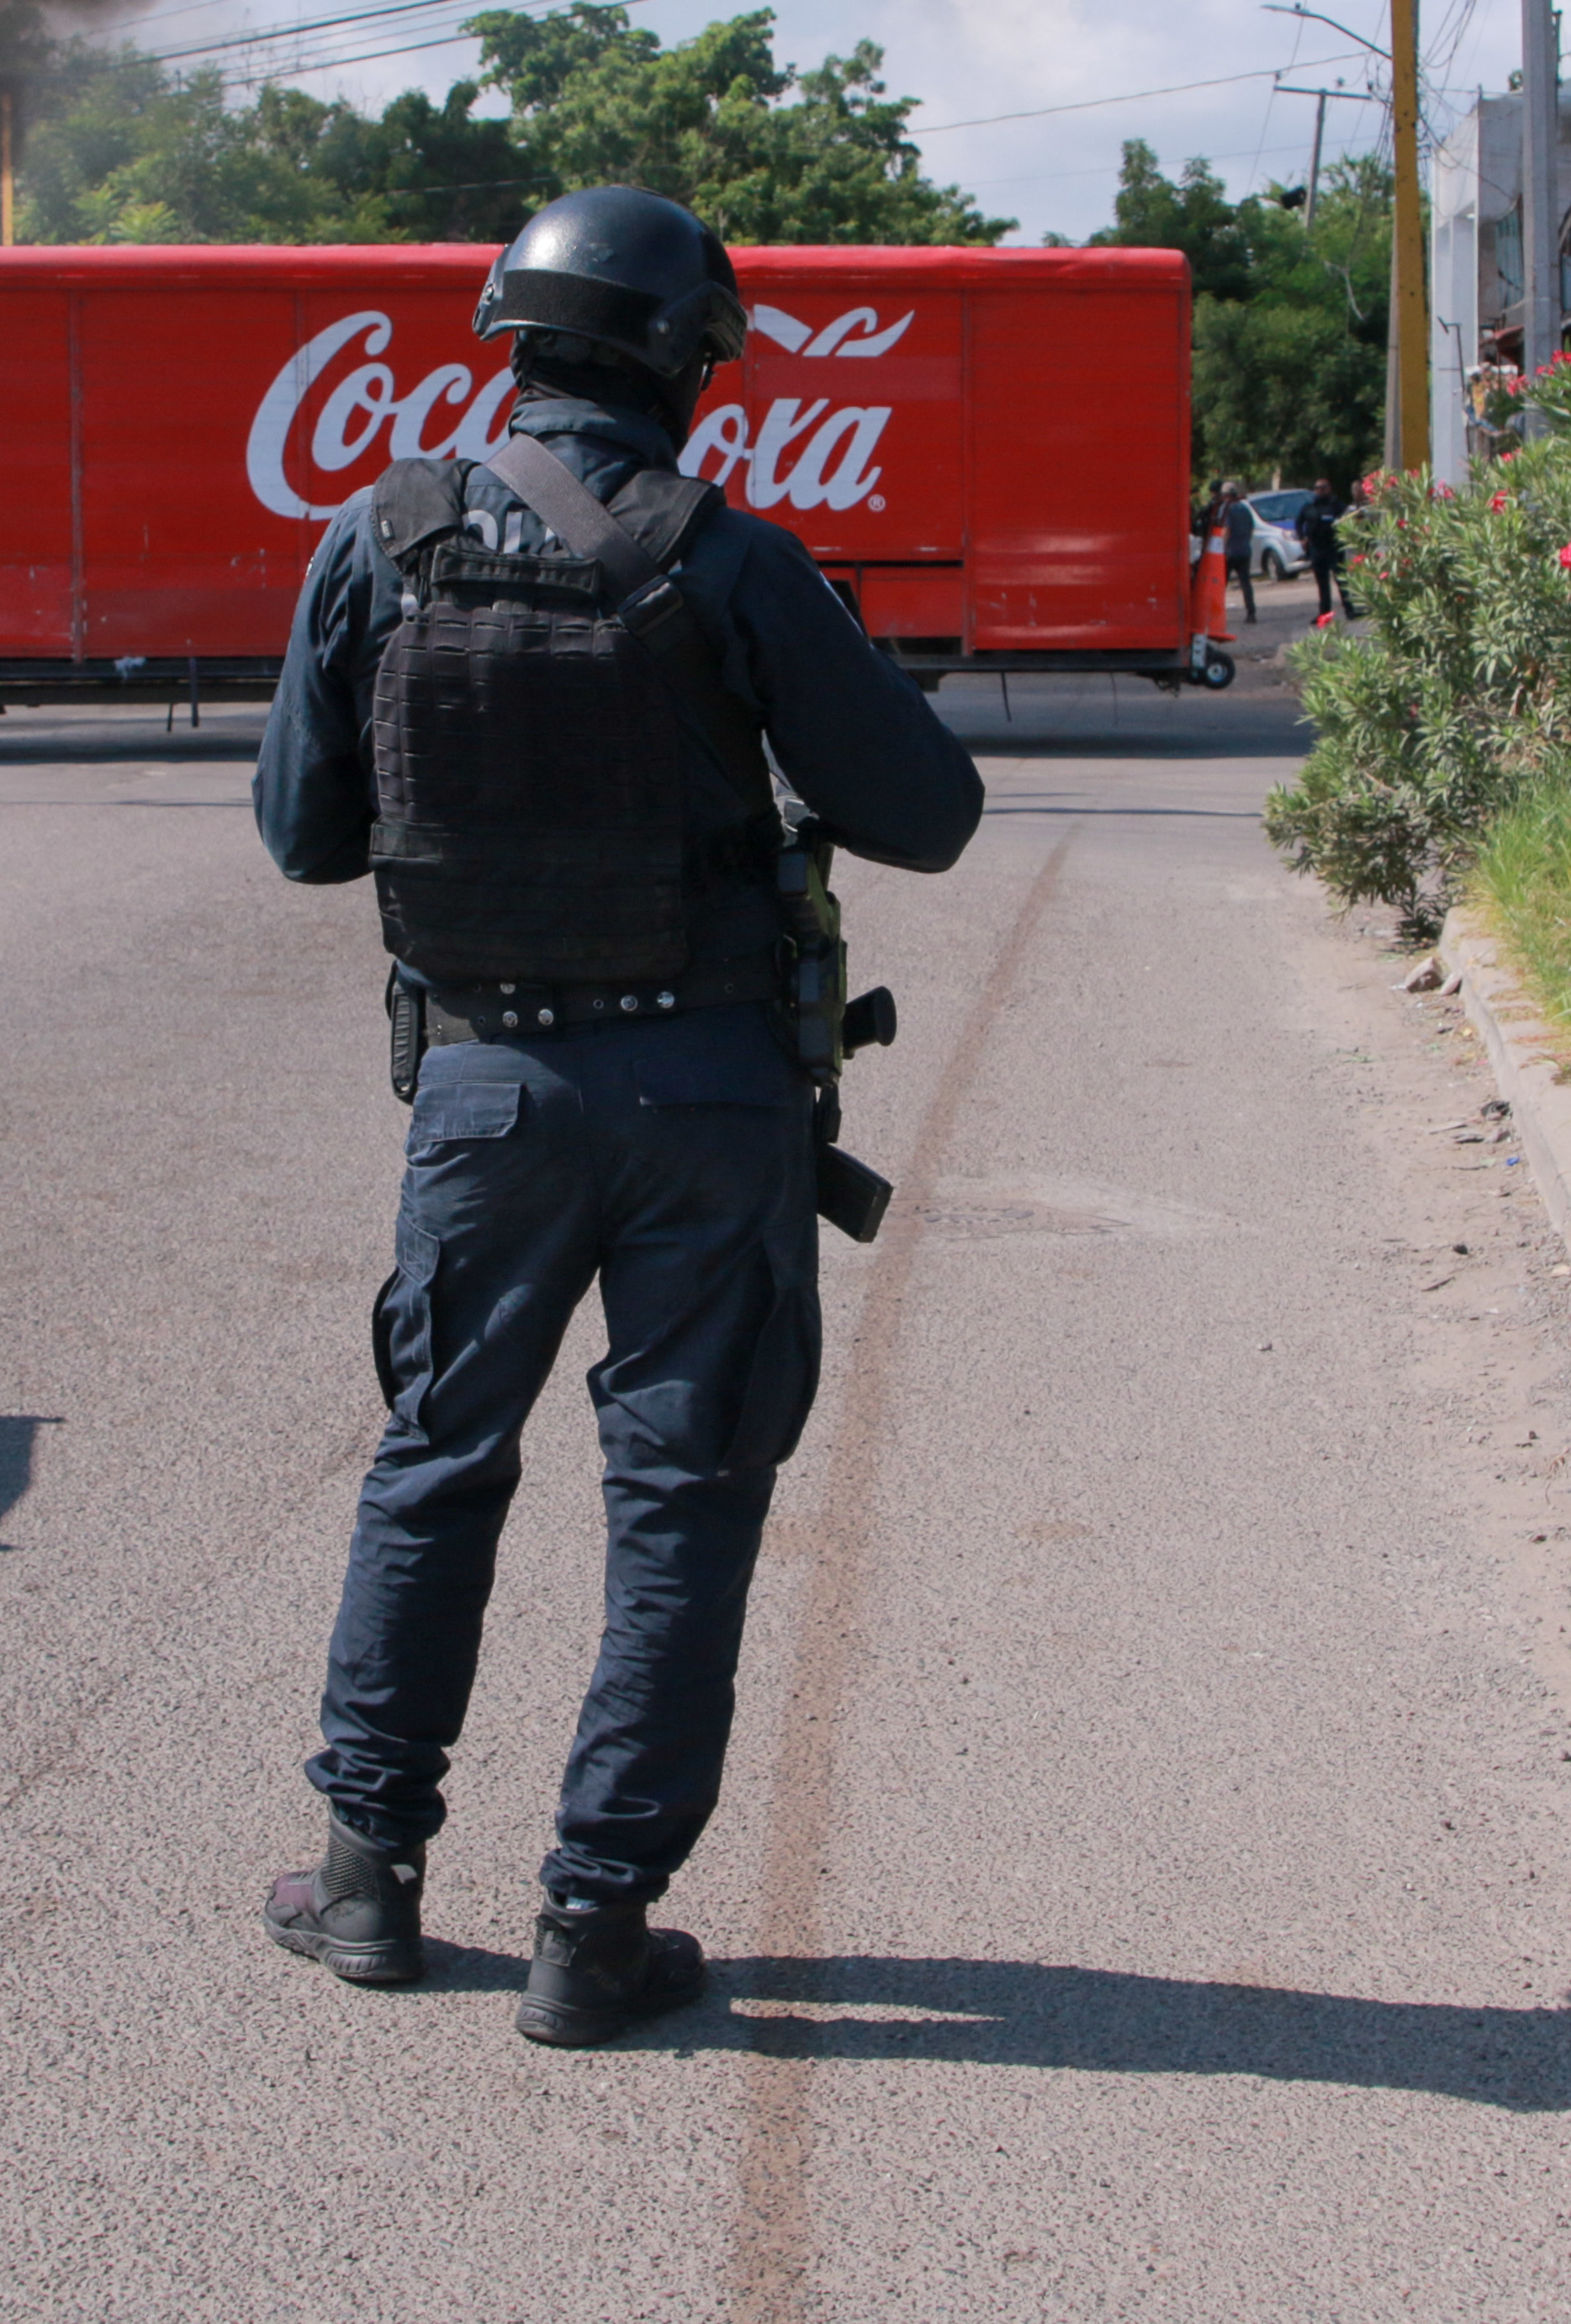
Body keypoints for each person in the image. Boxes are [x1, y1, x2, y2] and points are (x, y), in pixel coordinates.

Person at [251, 184, 986, 2042]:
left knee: (434, 1458)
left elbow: (301, 835)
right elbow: (927, 809)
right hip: (706, 1089)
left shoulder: (377, 537)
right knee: (679, 1496)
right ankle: (594, 1922)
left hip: (486, 1094)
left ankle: (362, 1881)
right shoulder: (727, 557)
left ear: (511, 337)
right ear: (684, 362)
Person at [1297, 476, 1347, 621]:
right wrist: (1302, 537)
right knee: (1322, 584)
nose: (1320, 491)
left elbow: (1348, 517)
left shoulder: (1337, 505)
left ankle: (1350, 610)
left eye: (1323, 488)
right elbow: (1299, 522)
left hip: (1334, 548)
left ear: (1329, 489)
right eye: (1317, 488)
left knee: (1342, 581)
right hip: (1317, 549)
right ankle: (1325, 614)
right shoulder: (1310, 506)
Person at [1220, 483, 1263, 621]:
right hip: (1244, 550)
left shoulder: (1226, 509)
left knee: (1221, 585)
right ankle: (1251, 613)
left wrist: (1222, 548)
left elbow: (1226, 530)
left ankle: (1217, 615)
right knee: (1245, 583)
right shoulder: (1245, 509)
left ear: (1225, 495)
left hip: (1230, 552)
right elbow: (1251, 529)